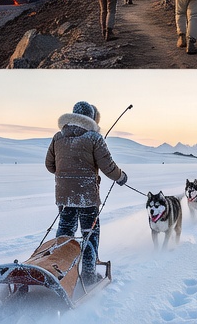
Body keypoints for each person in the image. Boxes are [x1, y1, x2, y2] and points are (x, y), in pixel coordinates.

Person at [44, 101, 127, 287]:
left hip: (64, 197)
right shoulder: (94, 138)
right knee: (90, 233)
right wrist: (121, 177)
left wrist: (66, 173)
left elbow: (50, 166)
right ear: (90, 118)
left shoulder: (58, 137)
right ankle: (88, 274)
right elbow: (109, 167)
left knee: (65, 233)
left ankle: (59, 270)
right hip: (87, 197)